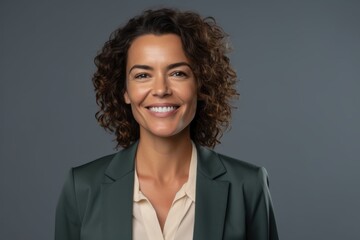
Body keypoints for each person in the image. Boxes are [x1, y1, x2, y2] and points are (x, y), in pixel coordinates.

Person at [55, 8, 279, 240]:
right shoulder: (82, 187)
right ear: (125, 91)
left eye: (178, 73)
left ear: (201, 85)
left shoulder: (248, 186)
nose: (161, 90)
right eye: (143, 75)